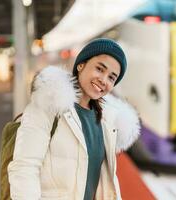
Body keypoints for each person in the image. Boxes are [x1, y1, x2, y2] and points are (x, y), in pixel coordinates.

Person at [8, 38, 140, 200]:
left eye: (112, 77)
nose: (104, 80)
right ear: (81, 65)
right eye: (99, 69)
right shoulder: (49, 105)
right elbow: (24, 167)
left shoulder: (107, 122)